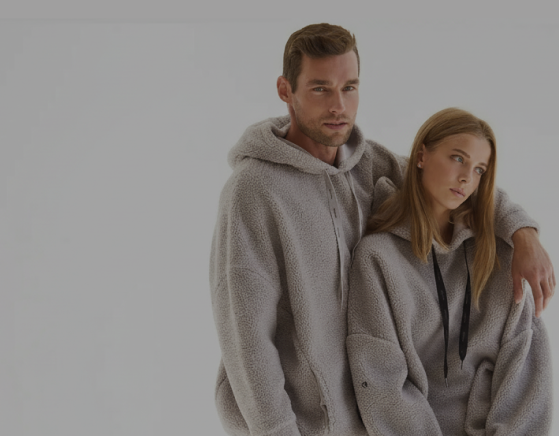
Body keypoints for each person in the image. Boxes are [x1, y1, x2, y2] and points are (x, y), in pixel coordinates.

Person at [209, 23, 554, 436]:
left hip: (362, 421)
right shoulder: (253, 191)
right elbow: (245, 337)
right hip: (295, 422)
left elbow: (453, 185)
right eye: (320, 89)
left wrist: (523, 233)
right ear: (286, 90)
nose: (339, 105)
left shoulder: (367, 164)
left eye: (349, 87)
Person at [347, 108, 553, 435]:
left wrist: (524, 233)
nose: (467, 178)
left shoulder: (498, 255)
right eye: (458, 158)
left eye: (479, 169)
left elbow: (525, 369)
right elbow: (381, 381)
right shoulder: (377, 257)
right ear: (421, 156)